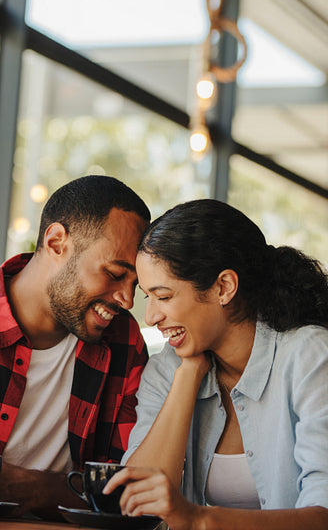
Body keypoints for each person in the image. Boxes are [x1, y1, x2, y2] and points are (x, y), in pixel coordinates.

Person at [0, 175, 151, 517]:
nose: (127, 299)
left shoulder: (125, 343)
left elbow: (124, 491)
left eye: (136, 284)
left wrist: (38, 489)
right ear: (57, 242)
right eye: (114, 273)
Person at [104, 199, 328, 530]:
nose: (150, 317)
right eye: (147, 297)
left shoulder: (309, 355)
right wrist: (189, 375)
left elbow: (322, 515)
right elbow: (136, 506)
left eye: (163, 297)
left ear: (223, 287)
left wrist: (199, 520)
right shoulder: (169, 368)